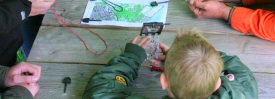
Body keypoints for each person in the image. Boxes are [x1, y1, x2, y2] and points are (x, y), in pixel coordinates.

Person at [82, 29, 257, 98]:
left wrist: (130, 58)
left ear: (164, 81)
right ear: (217, 84)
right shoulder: (239, 93)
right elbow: (240, 71)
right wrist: (190, 60)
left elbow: (100, 93)